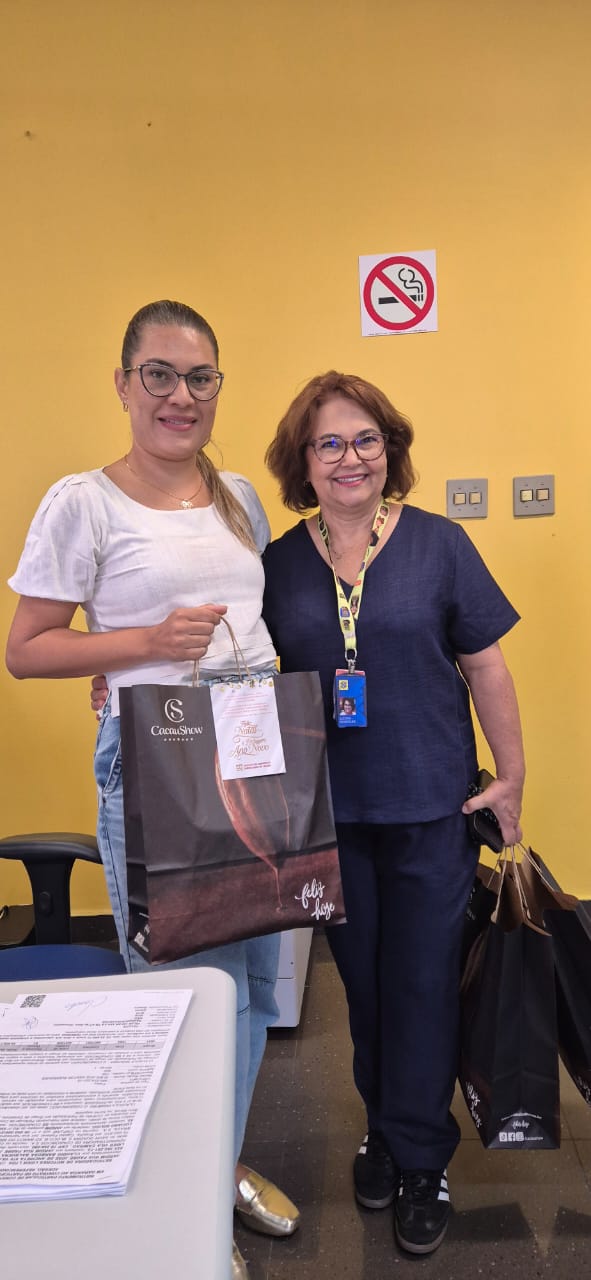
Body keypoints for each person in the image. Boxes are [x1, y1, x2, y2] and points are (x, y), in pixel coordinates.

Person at [5, 299, 299, 1280]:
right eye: (160, 375)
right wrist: (139, 645)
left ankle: (216, 1166)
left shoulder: (239, 496)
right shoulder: (83, 502)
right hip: (159, 762)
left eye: (200, 376)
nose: (182, 395)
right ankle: (177, 1207)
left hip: (252, 755)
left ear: (218, 387)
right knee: (178, 992)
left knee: (252, 988)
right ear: (124, 384)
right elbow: (26, 648)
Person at [262, 370, 525, 1257]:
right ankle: (382, 1127)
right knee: (365, 989)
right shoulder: (277, 563)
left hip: (429, 807)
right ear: (303, 461)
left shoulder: (439, 545)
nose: (350, 458)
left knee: (420, 984)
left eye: (366, 439)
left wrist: (510, 778)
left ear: (390, 449)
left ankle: (420, 1158)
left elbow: (485, 665)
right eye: (329, 443)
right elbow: (238, 665)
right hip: (329, 816)